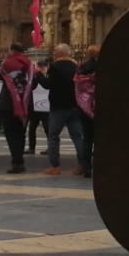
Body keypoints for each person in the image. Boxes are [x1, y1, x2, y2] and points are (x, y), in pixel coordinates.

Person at [42, 44, 90, 178]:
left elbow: (48, 84)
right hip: (75, 105)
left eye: (55, 52)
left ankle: (55, 166)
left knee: (53, 136)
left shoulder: (55, 67)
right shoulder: (77, 66)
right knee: (78, 137)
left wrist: (39, 75)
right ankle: (83, 164)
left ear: (58, 53)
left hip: (58, 106)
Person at [0, 43, 34, 174]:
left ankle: (16, 162)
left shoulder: (5, 64)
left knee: (11, 133)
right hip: (26, 104)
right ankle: (20, 161)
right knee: (21, 133)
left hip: (8, 104)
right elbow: (33, 85)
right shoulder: (30, 64)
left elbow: (0, 78)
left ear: (11, 50)